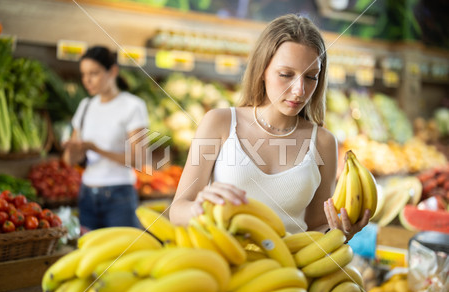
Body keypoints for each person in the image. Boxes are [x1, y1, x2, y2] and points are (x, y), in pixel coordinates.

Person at [169, 14, 370, 240]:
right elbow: (178, 210)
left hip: (287, 270)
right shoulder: (220, 123)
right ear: (262, 70)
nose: (299, 90)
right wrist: (199, 209)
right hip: (224, 264)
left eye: (311, 77)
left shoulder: (323, 142)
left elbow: (316, 227)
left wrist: (341, 233)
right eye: (286, 75)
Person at [62, 46, 149, 230]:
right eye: (84, 74)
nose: (87, 80)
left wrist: (96, 149)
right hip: (86, 194)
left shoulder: (132, 106)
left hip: (119, 196)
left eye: (94, 73)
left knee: (122, 255)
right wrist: (72, 150)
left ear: (113, 71)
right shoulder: (85, 106)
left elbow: (140, 158)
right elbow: (70, 161)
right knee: (90, 254)